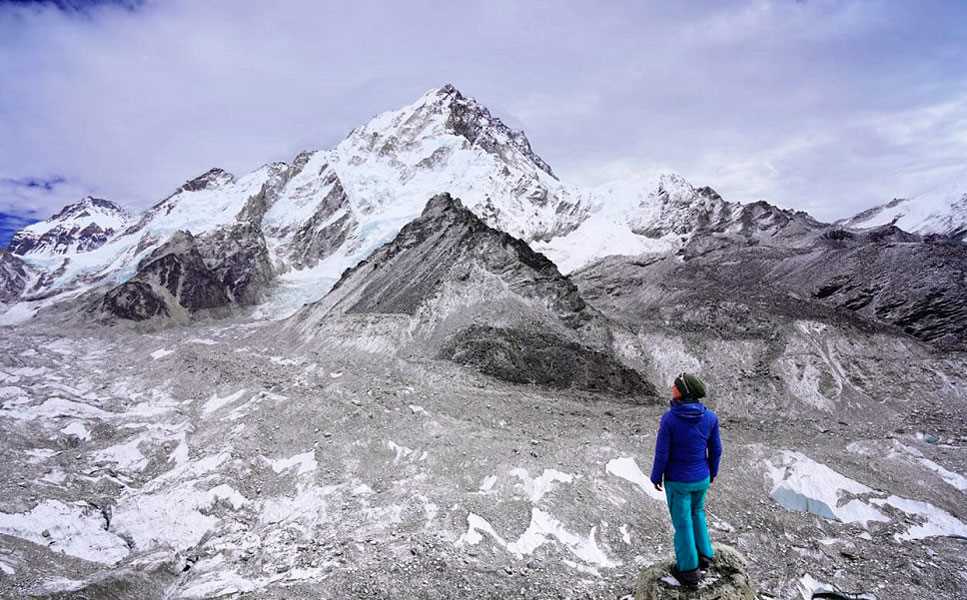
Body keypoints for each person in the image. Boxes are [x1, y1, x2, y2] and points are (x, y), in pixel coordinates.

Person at [649, 372, 722, 587]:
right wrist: (712, 472)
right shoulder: (710, 417)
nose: (672, 387)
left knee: (682, 524)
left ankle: (689, 571)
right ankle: (705, 555)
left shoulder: (670, 419)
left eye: (675, 385)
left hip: (678, 480)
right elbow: (716, 449)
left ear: (682, 391)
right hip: (701, 477)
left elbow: (662, 453)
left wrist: (656, 476)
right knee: (697, 513)